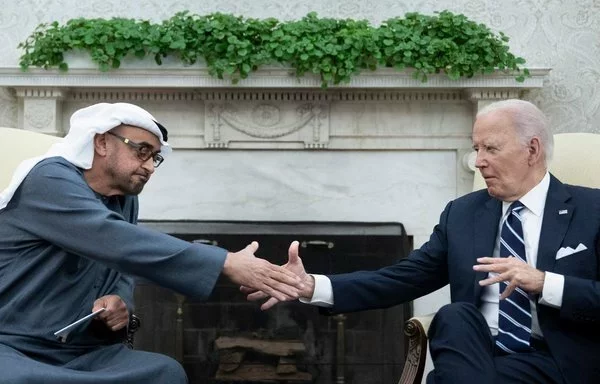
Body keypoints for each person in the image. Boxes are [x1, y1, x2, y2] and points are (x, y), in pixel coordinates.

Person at [245, 99, 600, 384]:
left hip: (556, 360)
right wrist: (310, 286)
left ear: (532, 150)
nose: (478, 162)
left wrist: (543, 282)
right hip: (476, 354)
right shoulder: (462, 214)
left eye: (491, 148)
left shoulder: (592, 209)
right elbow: (402, 278)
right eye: (476, 148)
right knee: (456, 315)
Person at [0, 102, 304, 384]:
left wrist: (120, 301)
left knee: (165, 372)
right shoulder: (49, 179)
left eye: (155, 157)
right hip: (12, 346)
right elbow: (115, 240)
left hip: (81, 353)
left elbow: (121, 269)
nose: (149, 166)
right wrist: (225, 262)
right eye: (141, 151)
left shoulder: (124, 200)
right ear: (101, 141)